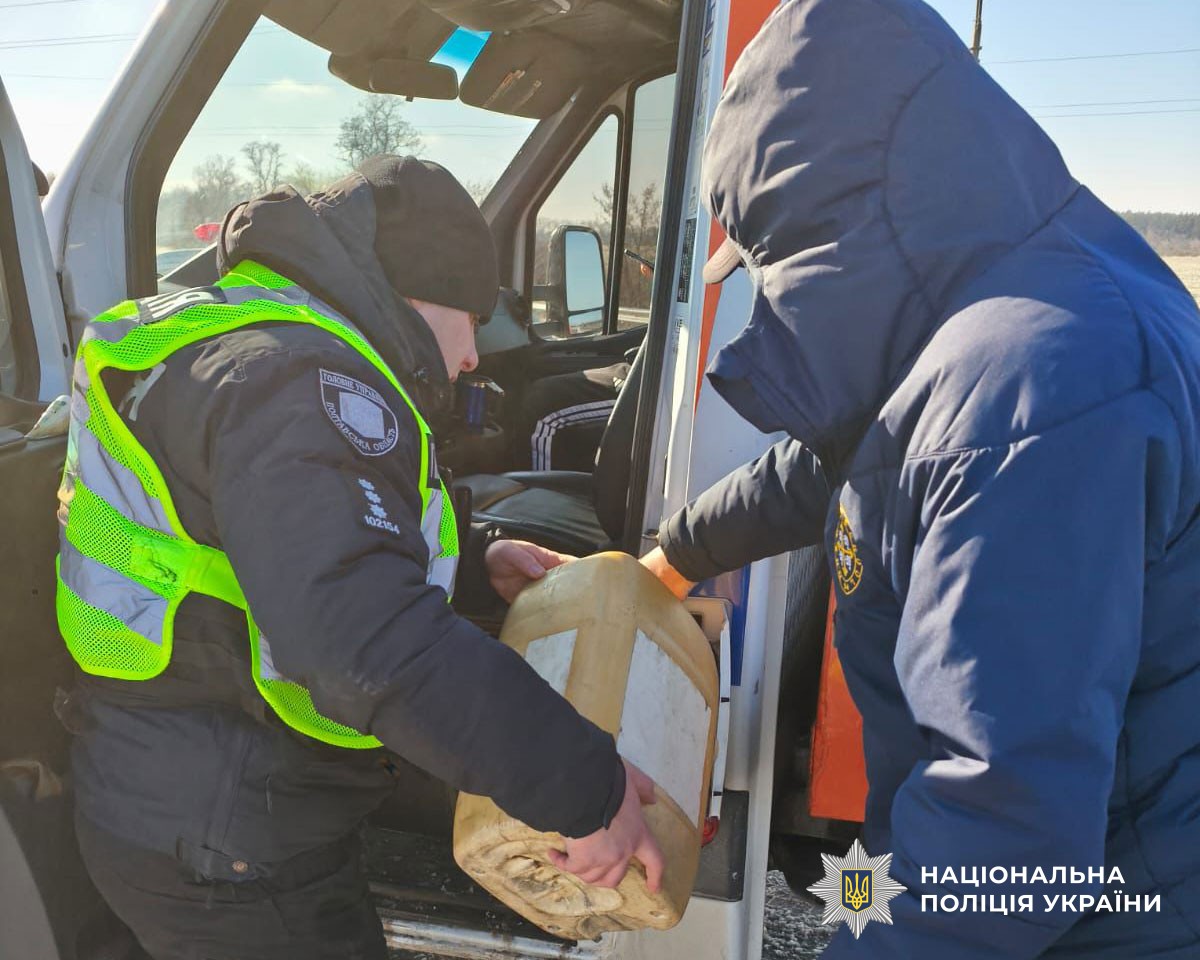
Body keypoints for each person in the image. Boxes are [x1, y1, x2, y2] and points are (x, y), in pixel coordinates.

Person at [641, 0, 1200, 956]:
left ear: (827, 227)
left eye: (768, 258)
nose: (769, 293)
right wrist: (675, 555)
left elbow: (1001, 827)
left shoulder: (1032, 395)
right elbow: (855, 458)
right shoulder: (984, 315)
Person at [56, 155, 662, 960]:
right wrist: (590, 790)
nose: (474, 356)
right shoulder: (302, 383)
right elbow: (360, 638)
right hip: (232, 844)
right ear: (420, 292)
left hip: (182, 797)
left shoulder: (247, 340)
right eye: (471, 320)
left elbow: (271, 539)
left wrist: (479, 557)